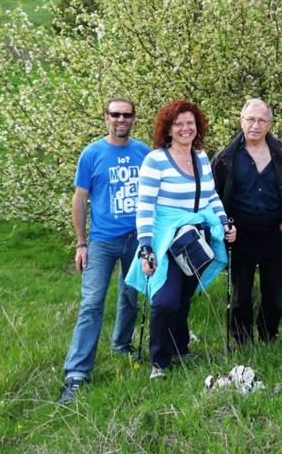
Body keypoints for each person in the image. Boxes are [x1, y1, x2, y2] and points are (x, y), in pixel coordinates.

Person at [126, 100, 237, 379]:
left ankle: (180, 347)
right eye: (178, 124)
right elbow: (145, 206)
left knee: (184, 295)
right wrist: (146, 247)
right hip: (166, 239)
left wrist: (224, 222)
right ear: (168, 129)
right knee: (165, 300)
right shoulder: (156, 160)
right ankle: (159, 361)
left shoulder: (200, 157)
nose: (185, 129)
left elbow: (211, 196)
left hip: (196, 237)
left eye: (190, 123)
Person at [58, 98, 151, 404]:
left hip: (137, 238)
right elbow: (80, 198)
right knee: (92, 304)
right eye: (115, 114)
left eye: (127, 115)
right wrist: (81, 243)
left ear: (134, 119)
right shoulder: (92, 154)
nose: (121, 119)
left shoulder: (143, 153)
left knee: (131, 295)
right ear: (106, 118)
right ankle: (77, 373)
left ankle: (121, 345)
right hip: (102, 241)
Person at [212, 99, 282, 346]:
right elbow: (214, 196)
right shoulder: (225, 157)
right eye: (250, 119)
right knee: (240, 293)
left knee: (273, 292)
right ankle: (241, 340)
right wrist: (224, 225)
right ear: (241, 121)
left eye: (261, 120)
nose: (255, 125)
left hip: (276, 232)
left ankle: (268, 336)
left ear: (270, 124)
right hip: (240, 234)